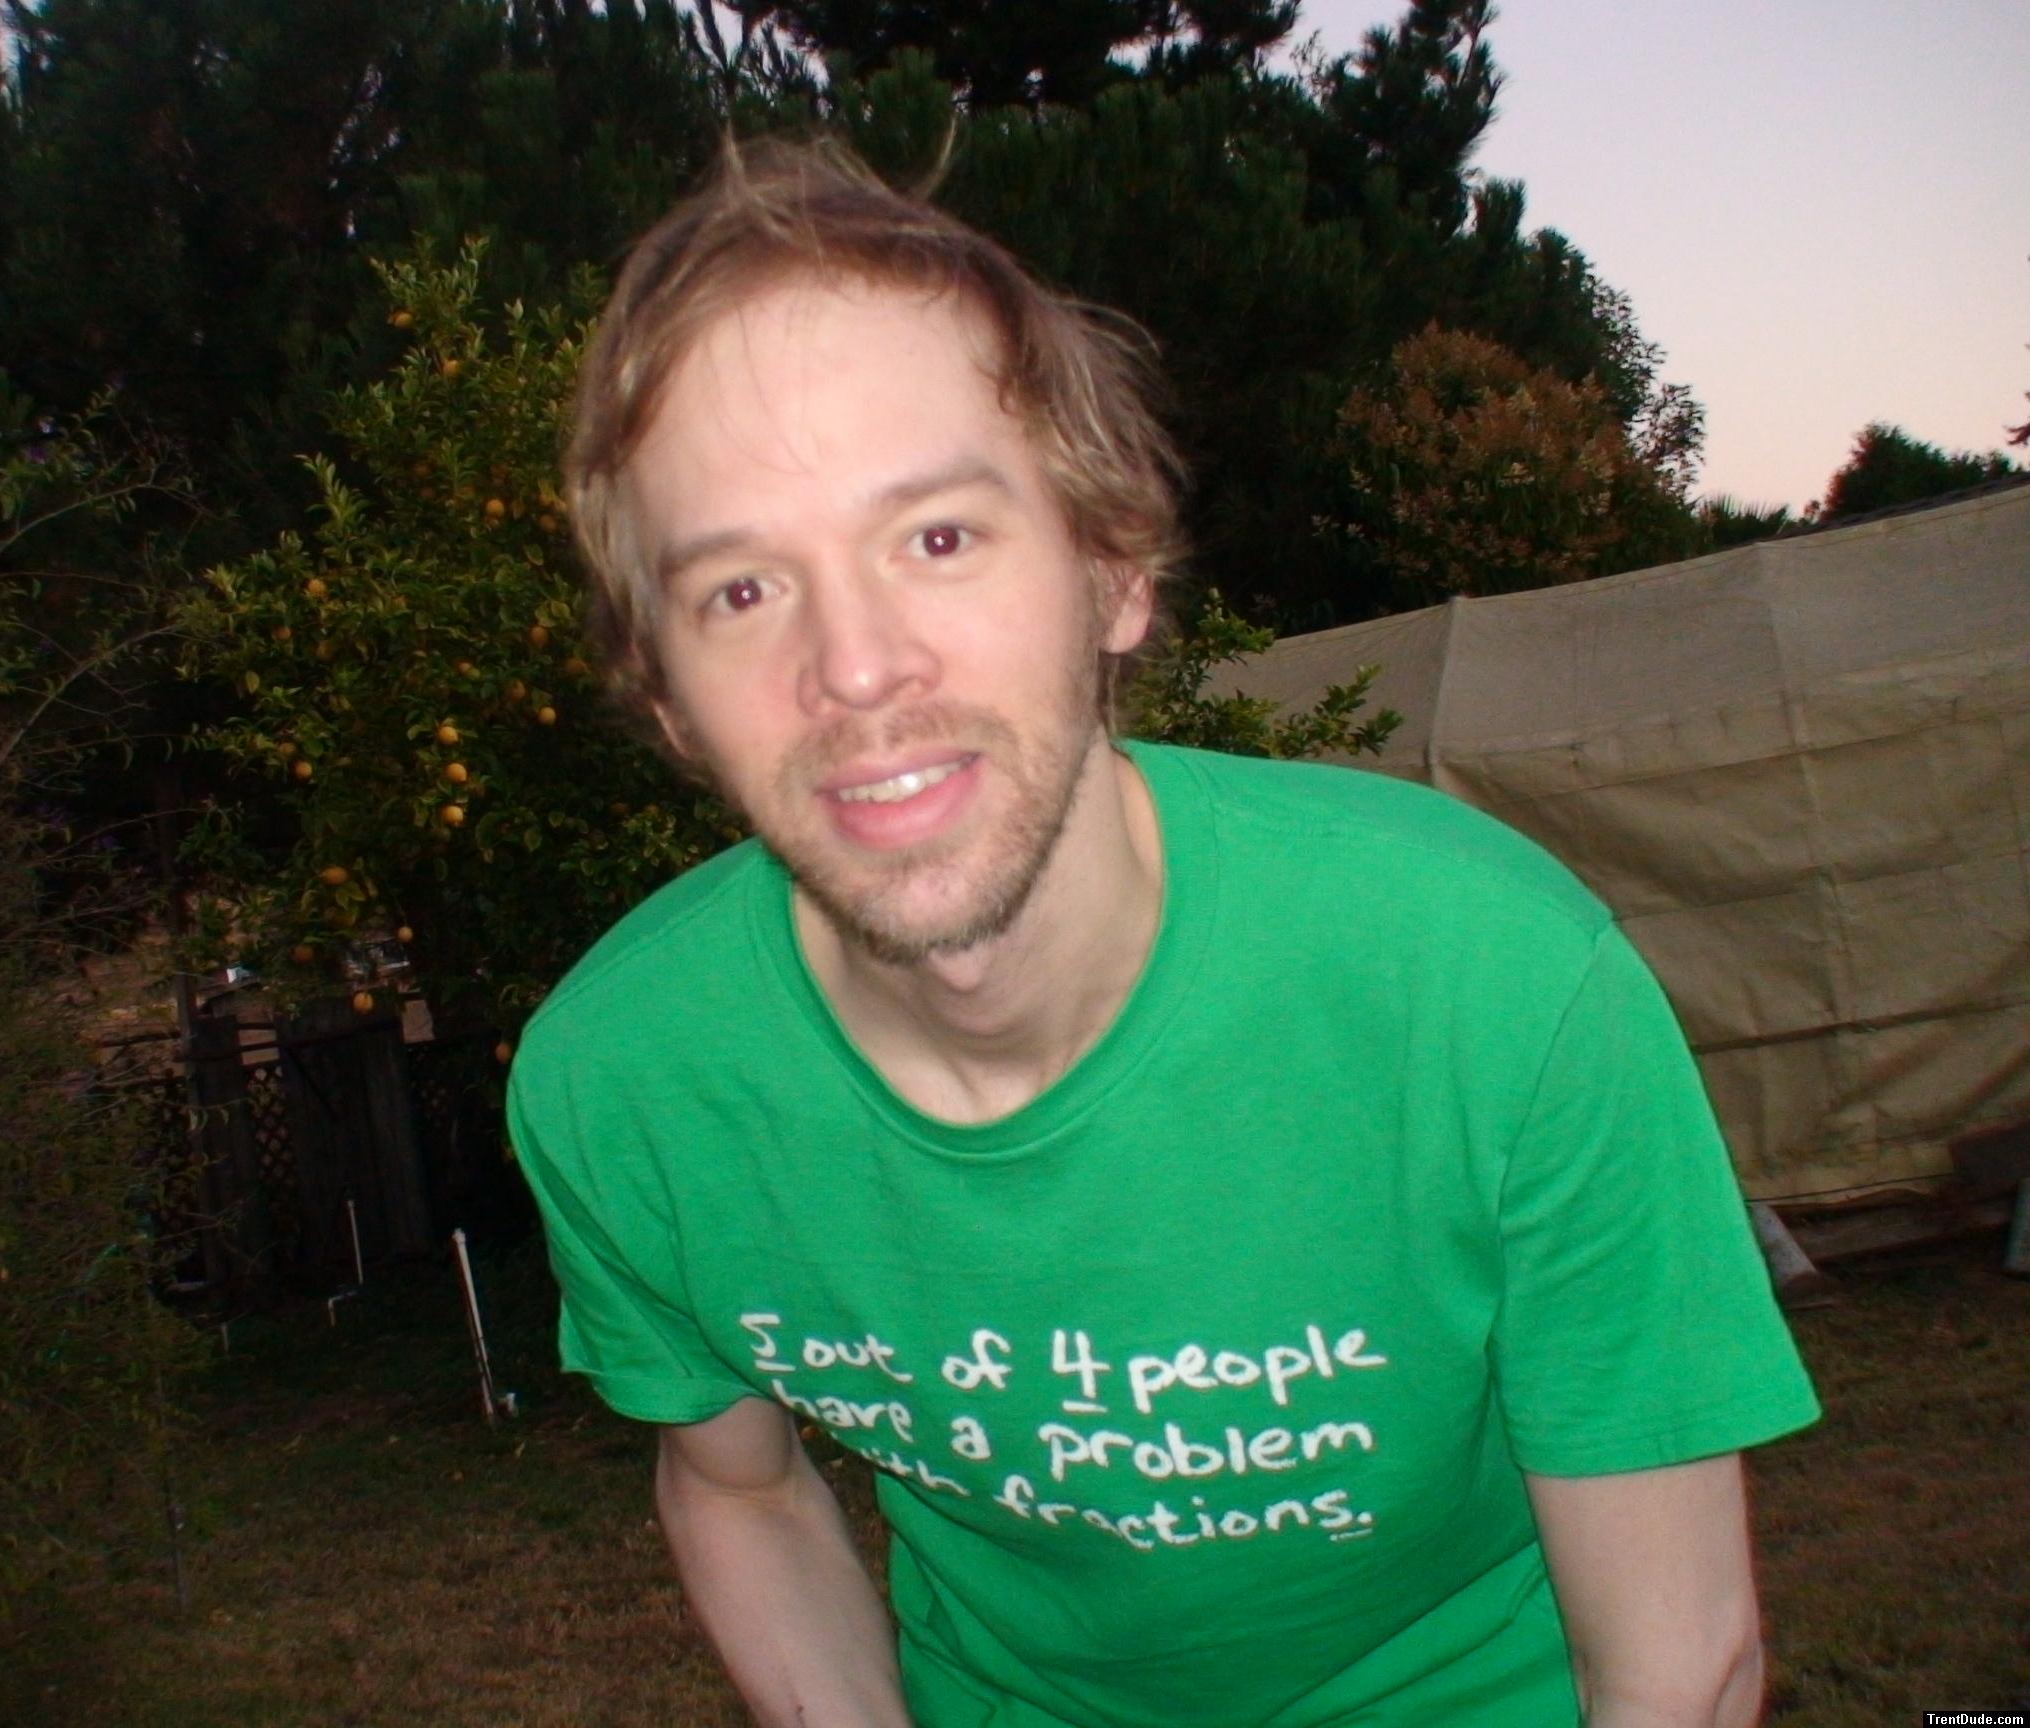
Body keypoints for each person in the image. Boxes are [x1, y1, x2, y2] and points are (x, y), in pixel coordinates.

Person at [508, 136, 1818, 1728]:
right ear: (662, 696)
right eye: (738, 591)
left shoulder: (1495, 986)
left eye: (935, 537)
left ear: (1112, 569)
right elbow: (736, 1489)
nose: (855, 667)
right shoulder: (624, 1084)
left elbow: (1684, 1663)